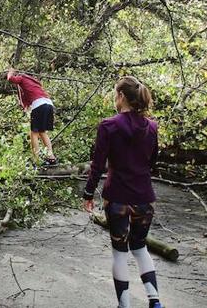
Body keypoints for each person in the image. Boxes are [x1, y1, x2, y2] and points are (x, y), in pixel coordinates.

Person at [82, 76, 163, 308]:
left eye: (115, 94)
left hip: (117, 197)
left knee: (120, 252)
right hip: (144, 198)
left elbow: (97, 166)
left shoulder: (109, 126)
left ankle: (124, 305)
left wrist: (88, 194)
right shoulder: (152, 127)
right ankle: (154, 300)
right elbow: (152, 162)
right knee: (140, 247)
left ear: (121, 96)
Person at [6, 67, 56, 164]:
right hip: (49, 104)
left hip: (39, 105)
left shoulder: (22, 78)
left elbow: (11, 79)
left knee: (34, 133)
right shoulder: (34, 82)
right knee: (42, 132)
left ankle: (36, 159)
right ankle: (51, 156)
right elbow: (27, 101)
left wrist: (10, 72)